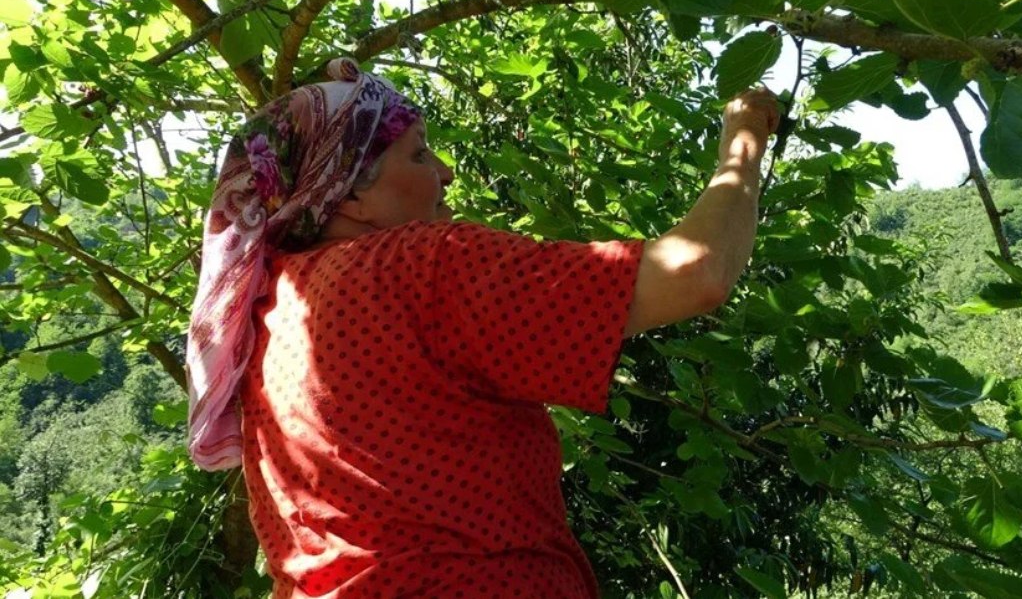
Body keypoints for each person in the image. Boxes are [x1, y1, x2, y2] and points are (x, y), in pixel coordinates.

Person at [186, 57, 780, 598]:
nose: (445, 172)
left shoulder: (264, 312)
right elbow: (697, 272)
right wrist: (744, 140)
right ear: (348, 198)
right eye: (418, 155)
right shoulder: (419, 265)